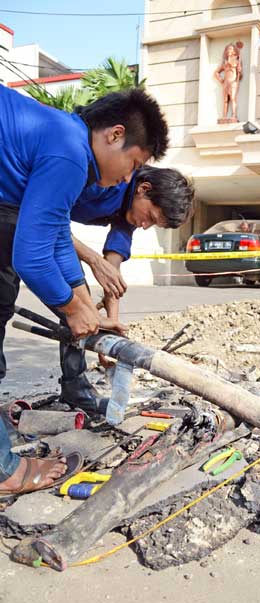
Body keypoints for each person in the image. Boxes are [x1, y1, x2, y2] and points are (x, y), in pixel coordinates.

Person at [0, 85, 169, 496]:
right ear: (113, 135)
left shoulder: (64, 137)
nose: (129, 177)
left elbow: (56, 233)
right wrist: (73, 310)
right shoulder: (71, 154)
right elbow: (33, 255)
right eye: (133, 163)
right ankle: (5, 472)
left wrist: (80, 298)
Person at [59, 165, 195, 412]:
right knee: (73, 304)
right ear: (144, 189)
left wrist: (110, 328)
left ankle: (74, 387)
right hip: (19, 213)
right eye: (151, 217)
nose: (144, 226)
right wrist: (92, 259)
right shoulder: (105, 177)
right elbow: (47, 216)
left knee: (81, 307)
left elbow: (112, 273)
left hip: (46, 227)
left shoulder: (130, 210)